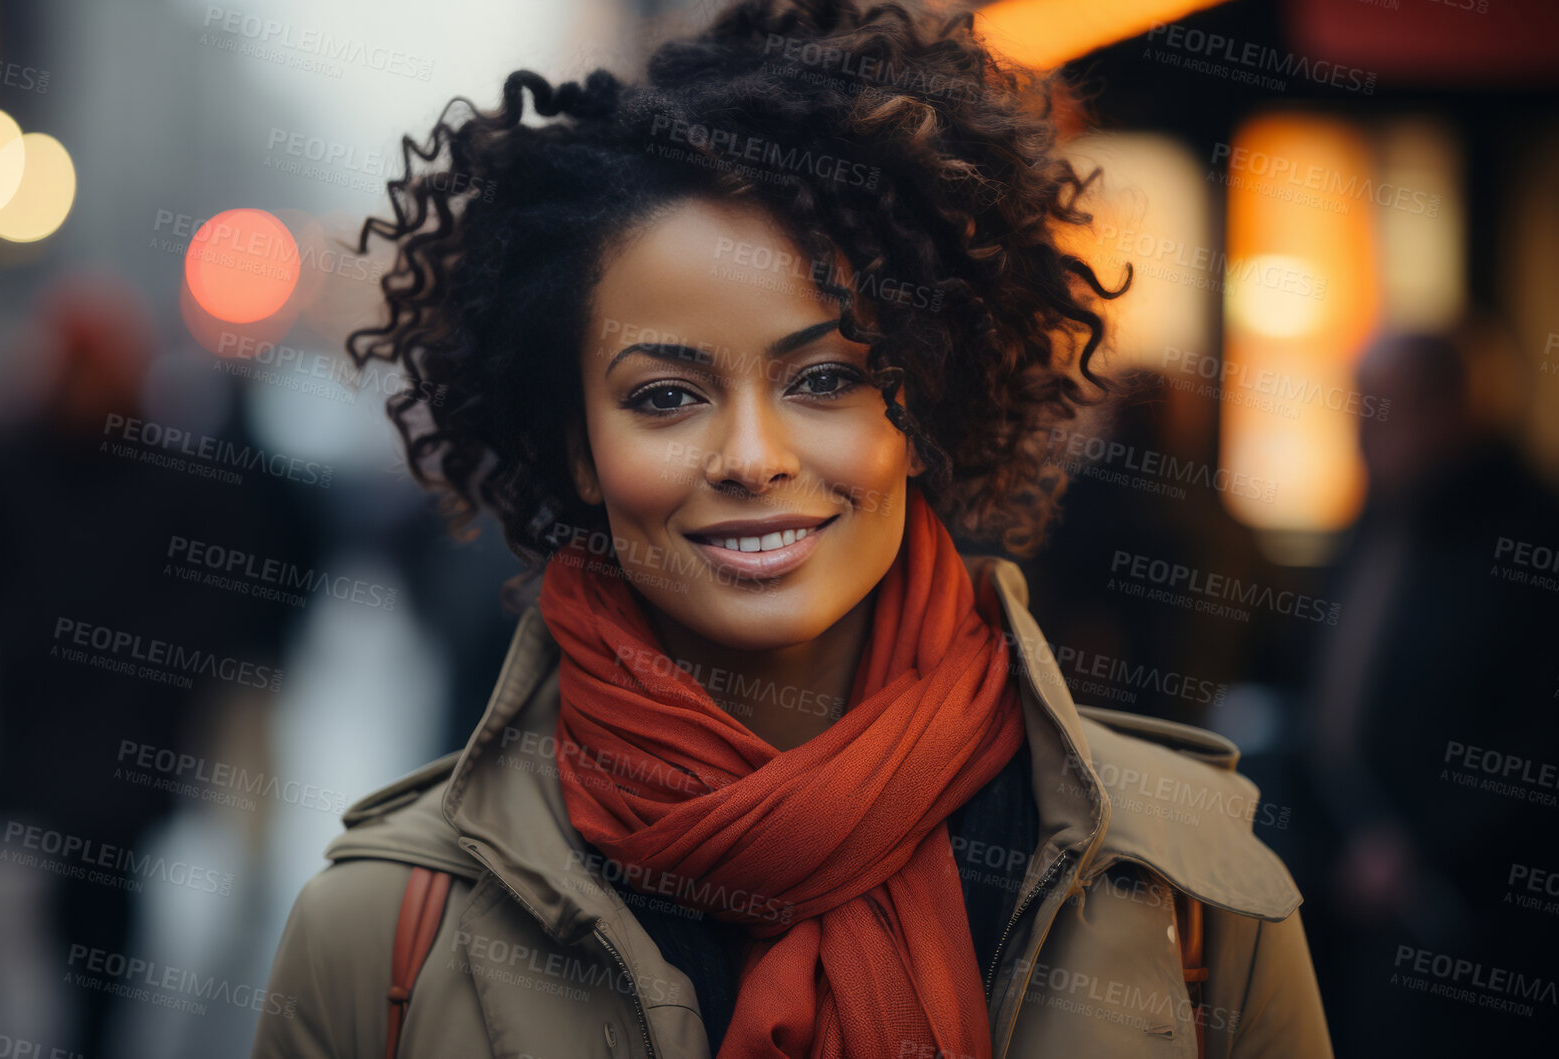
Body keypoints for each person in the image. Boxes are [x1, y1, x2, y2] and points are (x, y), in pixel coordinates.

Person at [252, 2, 1329, 1056]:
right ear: (577, 446)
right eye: (665, 396)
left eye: (823, 378)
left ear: (921, 413)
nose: (753, 456)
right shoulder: (379, 935)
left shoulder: (1191, 893)